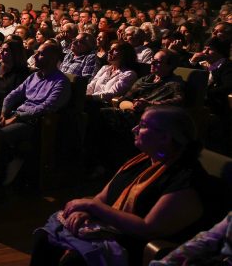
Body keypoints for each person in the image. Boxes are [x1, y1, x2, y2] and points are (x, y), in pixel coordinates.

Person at [31, 107, 209, 266]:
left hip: (141, 246)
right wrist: (86, 212)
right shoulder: (143, 161)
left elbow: (148, 228)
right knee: (44, 239)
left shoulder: (186, 179)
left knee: (75, 261)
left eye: (143, 125)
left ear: (165, 137)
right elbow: (103, 197)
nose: (135, 129)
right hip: (112, 230)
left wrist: (91, 206)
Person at [0, 43, 71, 186]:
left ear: (53, 58)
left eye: (40, 54)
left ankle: (5, 173)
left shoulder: (61, 82)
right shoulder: (33, 76)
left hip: (34, 123)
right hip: (16, 115)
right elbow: (12, 96)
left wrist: (16, 118)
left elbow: (46, 107)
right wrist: (3, 113)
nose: (35, 57)